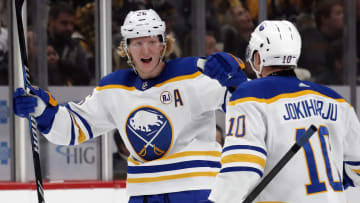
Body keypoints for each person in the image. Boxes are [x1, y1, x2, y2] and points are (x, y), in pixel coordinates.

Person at [13, 9, 247, 203]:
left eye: (152, 42)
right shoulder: (114, 88)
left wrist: (235, 80)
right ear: (125, 48)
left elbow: (244, 107)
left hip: (196, 191)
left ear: (164, 45)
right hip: (142, 194)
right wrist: (41, 110)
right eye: (137, 43)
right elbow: (73, 128)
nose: (145, 50)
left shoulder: (195, 74)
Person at [208, 20, 360, 203]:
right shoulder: (336, 101)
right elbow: (357, 168)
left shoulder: (249, 96)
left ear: (257, 57)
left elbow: (242, 168)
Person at [47, 2, 90, 85]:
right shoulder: (37, 43)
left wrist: (59, 63)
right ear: (51, 21)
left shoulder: (75, 47)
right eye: (64, 23)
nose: (69, 28)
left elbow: (85, 78)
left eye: (72, 24)